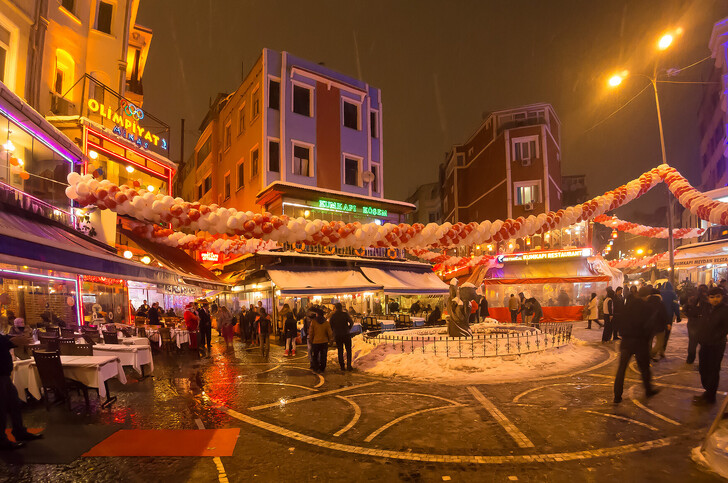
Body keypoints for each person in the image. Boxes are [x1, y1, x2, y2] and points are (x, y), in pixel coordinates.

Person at [613, 286, 660, 403]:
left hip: (626, 342)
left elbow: (620, 321)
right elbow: (649, 326)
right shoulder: (647, 308)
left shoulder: (627, 306)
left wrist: (623, 333)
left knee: (621, 369)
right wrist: (646, 338)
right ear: (647, 296)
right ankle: (648, 390)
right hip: (640, 342)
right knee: (644, 368)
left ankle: (617, 396)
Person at [0, 332, 43, 450]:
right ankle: (2, 441)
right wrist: (11, 341)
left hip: (4, 374)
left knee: (14, 403)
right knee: (2, 408)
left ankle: (19, 431)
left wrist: (11, 340)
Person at [693, 287, 728, 404]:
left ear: (722, 297)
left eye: (718, 296)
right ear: (708, 298)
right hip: (704, 343)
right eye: (712, 297)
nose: (715, 300)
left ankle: (710, 397)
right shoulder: (706, 308)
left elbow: (724, 329)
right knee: (703, 369)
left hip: (716, 345)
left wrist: (716, 337)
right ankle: (708, 391)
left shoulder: (725, 310)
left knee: (713, 370)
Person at [684, 285, 709, 364]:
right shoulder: (708, 300)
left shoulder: (692, 299)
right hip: (703, 324)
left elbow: (685, 310)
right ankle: (704, 361)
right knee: (704, 343)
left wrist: (690, 316)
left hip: (693, 323)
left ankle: (690, 359)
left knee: (692, 342)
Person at [330, 303, 354, 371]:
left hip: (338, 335)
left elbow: (330, 325)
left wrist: (334, 330)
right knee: (348, 350)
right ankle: (349, 365)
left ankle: (342, 366)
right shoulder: (345, 314)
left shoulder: (333, 316)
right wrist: (348, 328)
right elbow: (351, 322)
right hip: (346, 334)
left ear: (335, 308)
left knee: (340, 350)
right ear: (341, 308)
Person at [648, 288, 670, 361]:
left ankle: (648, 353)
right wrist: (667, 323)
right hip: (659, 325)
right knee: (660, 341)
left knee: (649, 341)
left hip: (649, 325)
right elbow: (664, 314)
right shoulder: (660, 303)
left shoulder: (646, 302)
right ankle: (652, 353)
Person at [308, 308, 333, 373]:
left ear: (317, 314)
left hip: (315, 342)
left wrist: (311, 340)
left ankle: (316, 368)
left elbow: (311, 332)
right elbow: (330, 332)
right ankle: (322, 368)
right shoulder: (326, 322)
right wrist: (330, 340)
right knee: (323, 356)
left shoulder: (313, 322)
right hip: (324, 342)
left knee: (315, 356)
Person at [659, 281, 680, 355]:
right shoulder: (673, 294)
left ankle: (658, 347)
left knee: (659, 333)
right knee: (667, 333)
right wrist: (678, 316)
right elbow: (676, 305)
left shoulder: (659, 293)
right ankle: (662, 349)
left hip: (659, 316)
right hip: (669, 315)